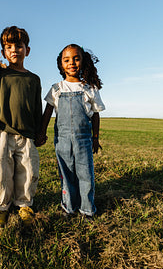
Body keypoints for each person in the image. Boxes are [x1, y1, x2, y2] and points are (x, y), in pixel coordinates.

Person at [37, 44, 105, 220]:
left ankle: (87, 209)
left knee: (85, 174)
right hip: (63, 139)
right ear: (61, 64)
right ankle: (69, 207)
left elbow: (95, 115)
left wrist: (95, 138)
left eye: (76, 58)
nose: (72, 63)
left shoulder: (89, 88)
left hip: (84, 140)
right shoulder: (57, 88)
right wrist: (42, 132)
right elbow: (47, 112)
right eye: (66, 60)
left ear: (83, 61)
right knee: (66, 173)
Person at [0, 26, 43, 227]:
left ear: (27, 50)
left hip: (27, 135)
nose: (14, 50)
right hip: (2, 132)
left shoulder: (33, 79)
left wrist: (39, 131)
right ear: (3, 52)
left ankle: (24, 205)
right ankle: (1, 207)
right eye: (9, 46)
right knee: (2, 173)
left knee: (28, 171)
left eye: (19, 46)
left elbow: (37, 107)